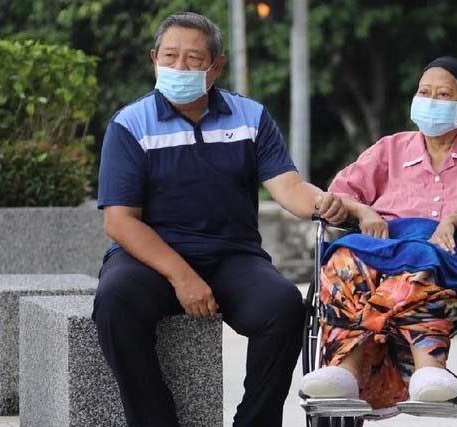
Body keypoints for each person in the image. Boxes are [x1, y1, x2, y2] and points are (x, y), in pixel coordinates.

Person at [93, 12, 348, 427]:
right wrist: (182, 277)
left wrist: (324, 203)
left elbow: (287, 186)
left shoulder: (250, 117)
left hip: (233, 255)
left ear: (217, 66)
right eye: (170, 56)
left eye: (194, 58)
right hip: (151, 258)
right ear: (154, 58)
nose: (180, 67)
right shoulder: (129, 124)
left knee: (283, 306)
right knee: (114, 302)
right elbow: (120, 222)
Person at [300, 56, 457, 415]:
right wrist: (364, 211)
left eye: (443, 95)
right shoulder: (390, 149)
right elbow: (340, 193)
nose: (431, 101)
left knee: (422, 261)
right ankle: (343, 372)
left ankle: (429, 369)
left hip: (453, 254)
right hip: (384, 248)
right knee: (343, 259)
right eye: (425, 92)